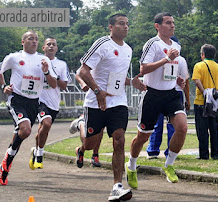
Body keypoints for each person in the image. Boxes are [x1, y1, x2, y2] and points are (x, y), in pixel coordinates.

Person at [77, 13, 146, 201]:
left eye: (127, 24)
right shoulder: (102, 44)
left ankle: (117, 186)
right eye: (121, 24)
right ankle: (81, 134)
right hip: (95, 102)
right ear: (111, 27)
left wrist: (132, 82)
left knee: (119, 139)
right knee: (90, 145)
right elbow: (84, 70)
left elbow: (116, 78)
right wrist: (98, 91)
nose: (125, 27)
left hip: (118, 102)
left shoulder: (129, 50)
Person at [125, 12, 188, 189]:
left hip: (171, 95)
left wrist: (178, 80)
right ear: (157, 26)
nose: (172, 25)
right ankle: (131, 165)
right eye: (168, 23)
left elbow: (169, 69)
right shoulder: (153, 44)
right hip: (152, 94)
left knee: (182, 127)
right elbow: (144, 69)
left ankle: (169, 165)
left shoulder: (175, 45)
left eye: (173, 23)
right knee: (142, 137)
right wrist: (167, 58)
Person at [0, 31, 57, 185]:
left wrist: (46, 71)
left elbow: (54, 83)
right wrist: (4, 86)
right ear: (23, 42)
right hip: (17, 100)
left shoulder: (43, 60)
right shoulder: (14, 57)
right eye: (30, 39)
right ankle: (6, 165)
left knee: (20, 134)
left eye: (36, 39)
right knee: (26, 130)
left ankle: (6, 161)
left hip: (33, 102)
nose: (34, 42)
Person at [30, 37, 72, 170]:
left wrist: (54, 76)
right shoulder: (37, 61)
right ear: (43, 48)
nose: (51, 46)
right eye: (48, 44)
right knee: (46, 124)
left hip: (54, 102)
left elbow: (64, 85)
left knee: (43, 129)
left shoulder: (61, 64)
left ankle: (36, 151)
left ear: (57, 48)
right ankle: (40, 156)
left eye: (54, 44)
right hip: (39, 100)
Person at [146, 55, 190, 158]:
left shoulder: (159, 58)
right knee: (173, 125)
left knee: (157, 123)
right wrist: (187, 99)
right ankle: (170, 151)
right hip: (175, 92)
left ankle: (153, 150)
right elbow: (186, 81)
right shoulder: (181, 59)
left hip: (161, 91)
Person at [192, 44, 218, 160]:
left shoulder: (199, 66)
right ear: (214, 55)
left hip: (201, 102)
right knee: (214, 129)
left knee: (202, 130)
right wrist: (215, 95)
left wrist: (205, 93)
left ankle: (204, 154)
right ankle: (215, 154)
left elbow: (197, 81)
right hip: (215, 105)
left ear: (203, 55)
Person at [69, 70, 103, 167]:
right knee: (88, 140)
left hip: (106, 101)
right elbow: (79, 73)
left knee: (100, 129)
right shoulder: (94, 59)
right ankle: (80, 123)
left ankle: (95, 155)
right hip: (92, 102)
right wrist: (83, 83)